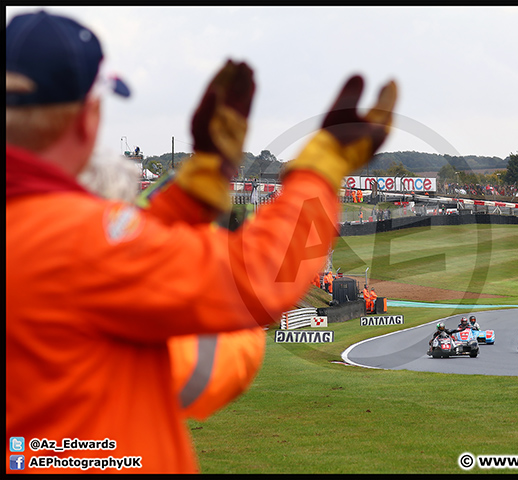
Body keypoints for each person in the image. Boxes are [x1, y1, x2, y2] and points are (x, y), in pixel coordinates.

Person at [6, 9, 397, 474]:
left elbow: (116, 251)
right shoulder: (72, 239)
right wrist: (319, 173)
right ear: (88, 117)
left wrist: (194, 188)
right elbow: (259, 280)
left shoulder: (39, 230)